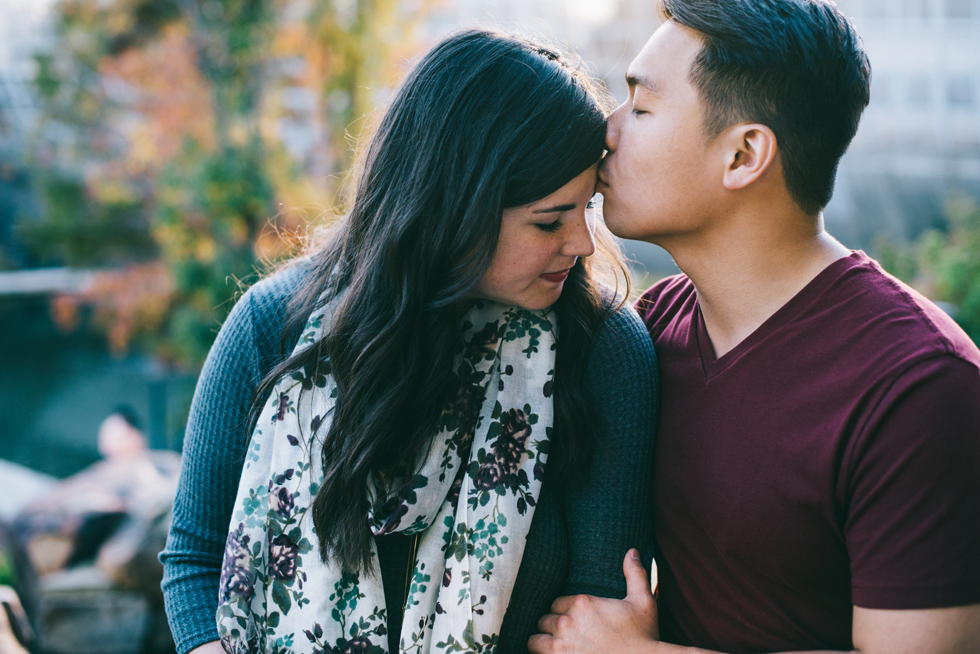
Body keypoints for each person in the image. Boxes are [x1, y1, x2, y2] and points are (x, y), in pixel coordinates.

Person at [160, 29, 658, 654]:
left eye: (585, 210)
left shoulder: (601, 349)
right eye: (548, 221)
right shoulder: (272, 327)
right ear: (455, 208)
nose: (581, 244)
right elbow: (195, 560)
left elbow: (599, 610)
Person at [529, 1, 980, 653]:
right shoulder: (648, 334)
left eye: (642, 108)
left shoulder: (918, 387)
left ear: (743, 155)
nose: (608, 130)